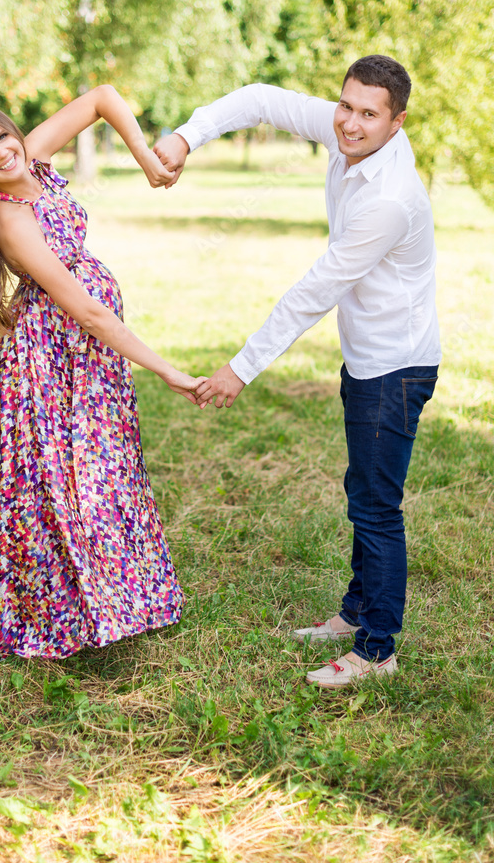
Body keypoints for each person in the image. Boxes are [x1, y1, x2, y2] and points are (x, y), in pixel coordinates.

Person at [0, 86, 206, 660]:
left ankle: (120, 599)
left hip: (84, 355)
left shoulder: (33, 159)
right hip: (47, 359)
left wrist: (146, 157)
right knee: (48, 488)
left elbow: (101, 97)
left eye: (2, 135)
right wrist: (167, 370)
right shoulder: (10, 219)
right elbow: (89, 312)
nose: (1, 153)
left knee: (102, 469)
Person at [154, 55, 441, 689]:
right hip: (368, 355)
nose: (350, 123)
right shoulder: (348, 129)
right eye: (346, 105)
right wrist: (185, 135)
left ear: (397, 123)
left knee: (376, 507)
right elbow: (259, 98)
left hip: (396, 366)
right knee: (363, 492)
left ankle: (377, 650)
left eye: (370, 114)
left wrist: (241, 367)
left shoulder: (389, 200)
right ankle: (354, 614)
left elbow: (316, 289)